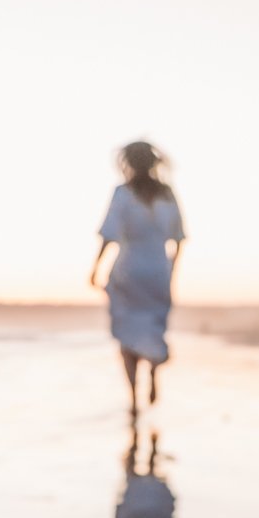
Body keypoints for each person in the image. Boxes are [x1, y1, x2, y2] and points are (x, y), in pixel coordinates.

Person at [89, 141, 186, 414]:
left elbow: (109, 235)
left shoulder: (122, 193)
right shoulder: (167, 194)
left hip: (128, 271)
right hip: (157, 270)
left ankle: (133, 398)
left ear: (128, 163)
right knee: (153, 329)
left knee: (127, 335)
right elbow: (179, 238)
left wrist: (95, 269)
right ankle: (154, 372)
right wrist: (171, 270)